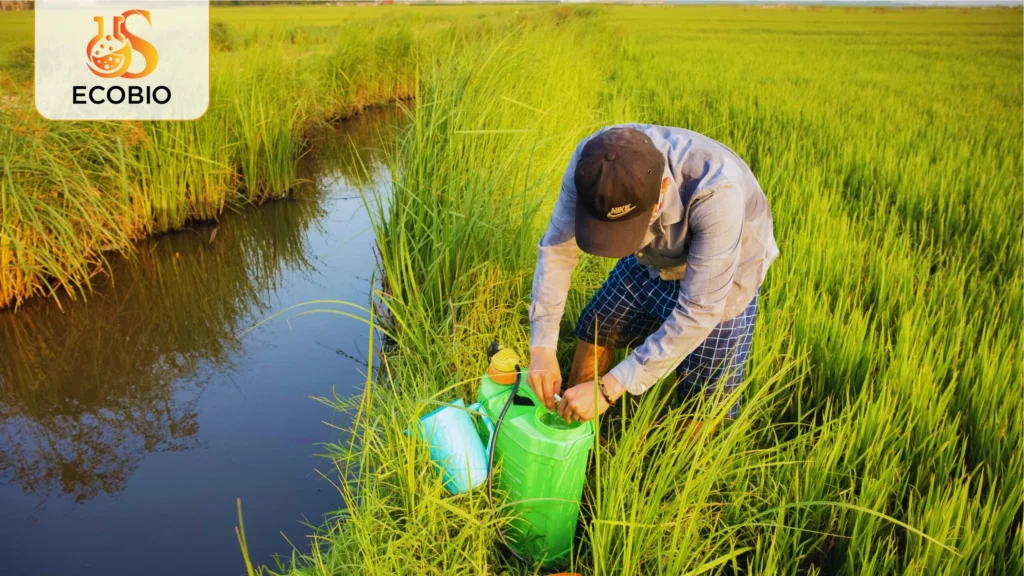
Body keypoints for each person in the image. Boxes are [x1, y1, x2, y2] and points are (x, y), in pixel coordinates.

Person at [526, 124, 779, 424]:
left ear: (662, 192)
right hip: (651, 256)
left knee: (704, 395)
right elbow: (558, 249)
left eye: (625, 227)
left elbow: (699, 311)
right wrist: (541, 346)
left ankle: (684, 465)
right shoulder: (592, 165)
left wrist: (609, 389)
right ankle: (578, 431)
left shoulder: (717, 191)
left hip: (727, 273)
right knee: (599, 325)